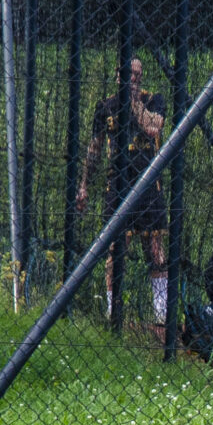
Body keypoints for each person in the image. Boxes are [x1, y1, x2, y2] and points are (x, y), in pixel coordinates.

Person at [76, 57, 169, 322]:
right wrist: (84, 185)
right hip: (118, 185)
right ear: (118, 76)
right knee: (116, 249)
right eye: (128, 74)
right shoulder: (105, 106)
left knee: (155, 249)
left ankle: (161, 313)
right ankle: (112, 309)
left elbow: (153, 128)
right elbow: (94, 148)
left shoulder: (154, 100)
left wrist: (134, 102)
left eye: (137, 75)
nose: (133, 79)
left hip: (149, 186)